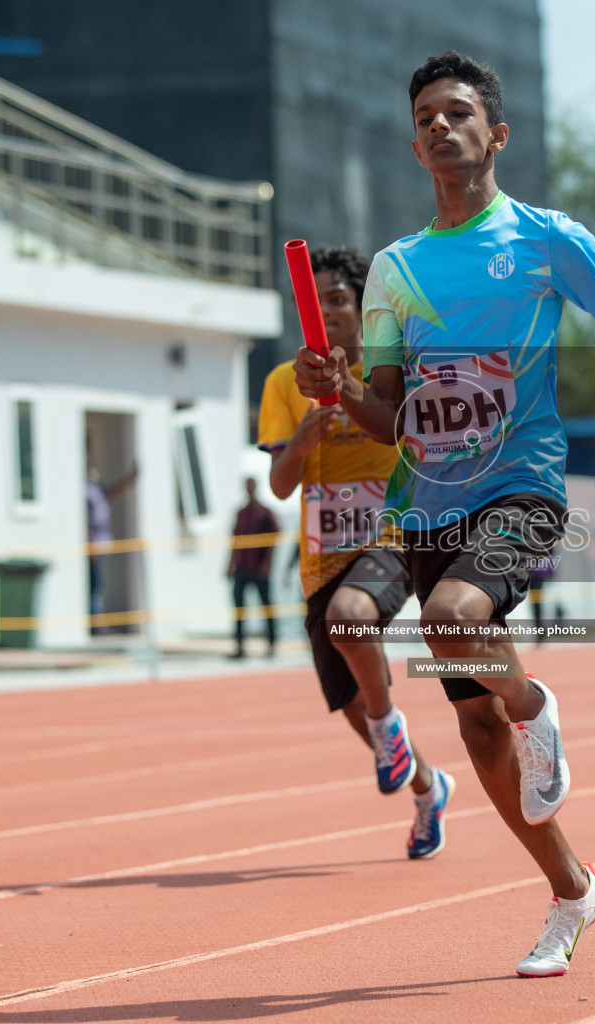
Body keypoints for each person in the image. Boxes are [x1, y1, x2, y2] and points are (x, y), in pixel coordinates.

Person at [294, 50, 595, 977]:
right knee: (475, 727)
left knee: (451, 625)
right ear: (414, 145)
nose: (442, 126)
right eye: (427, 117)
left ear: (496, 133)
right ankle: (572, 891)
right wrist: (340, 386)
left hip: (523, 491)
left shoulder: (544, 237)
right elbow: (392, 416)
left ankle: (535, 700)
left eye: (459, 112)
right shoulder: (397, 270)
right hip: (433, 508)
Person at [259, 244, 454, 858]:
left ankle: (385, 720)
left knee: (352, 620)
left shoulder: (391, 368)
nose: (328, 311)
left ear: (362, 306)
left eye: (339, 299)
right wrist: (297, 445)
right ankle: (429, 787)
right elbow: (280, 485)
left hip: (393, 533)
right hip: (322, 553)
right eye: (316, 302)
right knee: (347, 701)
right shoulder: (281, 384)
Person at [227, 478, 279, 658]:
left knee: (267, 606)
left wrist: (268, 564)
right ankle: (240, 646)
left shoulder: (265, 513)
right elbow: (235, 540)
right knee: (239, 609)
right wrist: (229, 565)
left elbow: (274, 538)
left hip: (259, 569)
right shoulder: (241, 513)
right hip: (242, 568)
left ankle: (272, 644)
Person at [86, 464, 138, 636]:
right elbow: (86, 523)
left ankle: (98, 623)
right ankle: (96, 626)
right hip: (94, 547)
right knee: (95, 586)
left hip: (102, 546)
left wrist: (131, 479)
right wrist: (91, 545)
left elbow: (115, 491)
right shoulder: (85, 491)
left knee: (99, 585)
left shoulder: (96, 488)